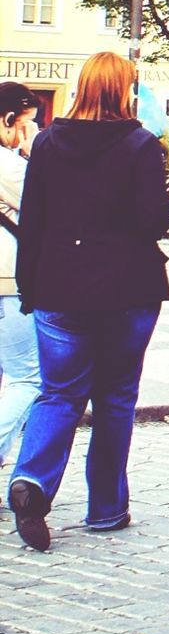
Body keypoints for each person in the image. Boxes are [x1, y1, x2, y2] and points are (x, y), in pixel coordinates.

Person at [7, 52, 169, 552]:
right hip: (127, 288)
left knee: (58, 393)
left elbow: (31, 222)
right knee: (116, 397)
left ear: (81, 88)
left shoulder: (50, 144)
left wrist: (30, 289)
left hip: (59, 287)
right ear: (125, 92)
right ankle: (105, 507)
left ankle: (33, 480)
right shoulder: (140, 145)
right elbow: (155, 221)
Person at [0, 83, 41, 471]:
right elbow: (51, 205)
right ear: (9, 120)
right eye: (28, 124)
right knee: (29, 378)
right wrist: (35, 152)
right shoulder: (10, 165)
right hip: (7, 283)